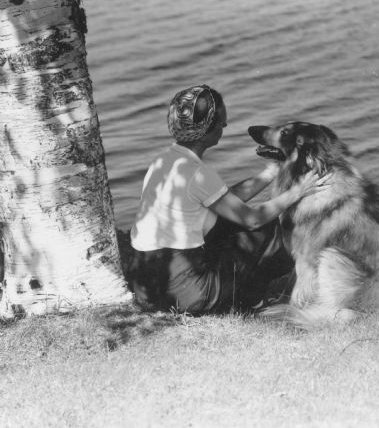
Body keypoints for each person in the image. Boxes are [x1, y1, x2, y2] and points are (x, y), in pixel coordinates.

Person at [126, 84, 327, 314]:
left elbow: (222, 199)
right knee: (269, 227)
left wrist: (270, 173)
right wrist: (297, 192)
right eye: (221, 121)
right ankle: (250, 300)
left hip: (145, 283)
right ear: (206, 129)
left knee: (230, 222)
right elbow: (251, 220)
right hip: (185, 292)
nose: (225, 124)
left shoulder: (164, 161)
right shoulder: (197, 173)